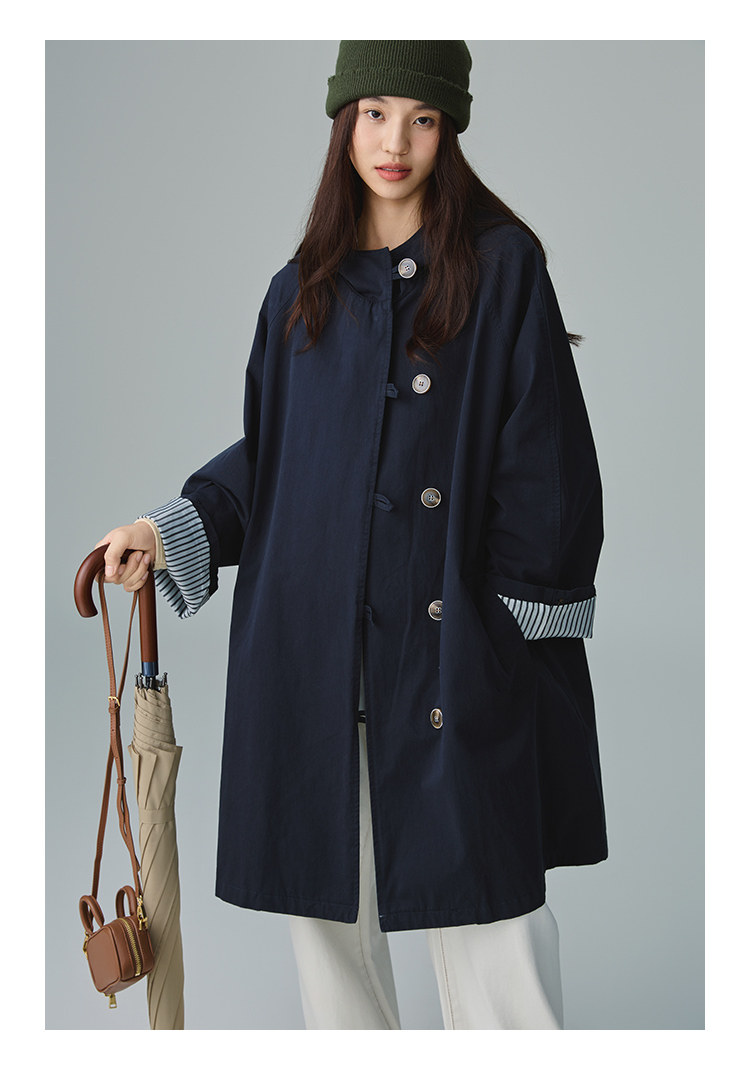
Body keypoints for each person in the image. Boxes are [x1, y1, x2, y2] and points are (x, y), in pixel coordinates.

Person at [95, 41, 607, 1030]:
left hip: (451, 655)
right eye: (375, 113)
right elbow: (276, 454)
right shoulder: (301, 291)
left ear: (449, 128)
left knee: (494, 921)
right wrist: (171, 527)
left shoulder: (502, 268)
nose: (394, 141)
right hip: (316, 649)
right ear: (344, 121)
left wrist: (503, 633)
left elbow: (547, 456)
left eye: (422, 118)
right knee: (329, 929)